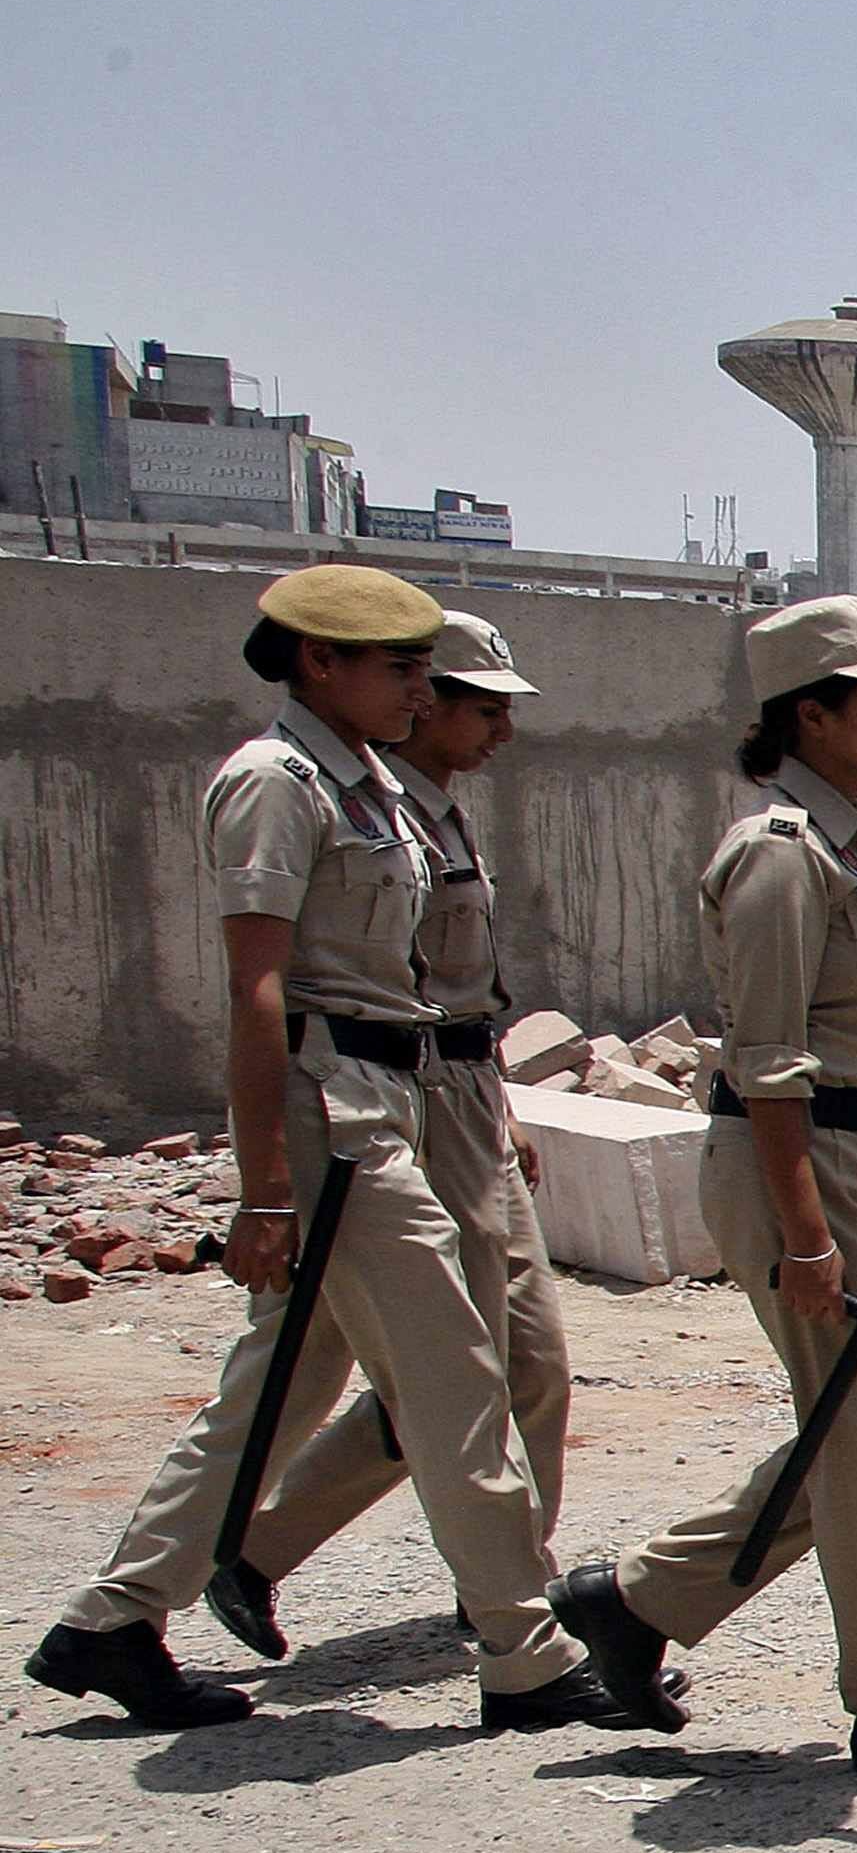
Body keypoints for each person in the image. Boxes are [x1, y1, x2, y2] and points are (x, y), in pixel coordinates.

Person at [28, 568, 619, 1733]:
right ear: (318, 663)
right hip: (334, 1108)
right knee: (455, 1366)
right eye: (402, 669)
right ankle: (523, 1647)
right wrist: (265, 1187)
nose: (419, 690)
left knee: (280, 1385)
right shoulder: (275, 782)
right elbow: (259, 991)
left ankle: (113, 1617)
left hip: (391, 1093)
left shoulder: (375, 792)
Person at [547, 594, 857, 1776]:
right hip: (798, 1160)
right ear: (809, 715)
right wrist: (807, 1232)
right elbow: (765, 1058)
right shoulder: (777, 852)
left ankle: (637, 1596)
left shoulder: (849, 835)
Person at [207, 612, 576, 1662]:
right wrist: (269, 1180)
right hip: (393, 1105)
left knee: (514, 1356)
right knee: (458, 1367)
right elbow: (356, 998)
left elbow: (454, 994)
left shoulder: (425, 816)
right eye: (475, 703)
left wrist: (498, 1108)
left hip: (457, 1094)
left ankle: (489, 1574)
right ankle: (492, 1587)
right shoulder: (341, 810)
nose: (495, 728)